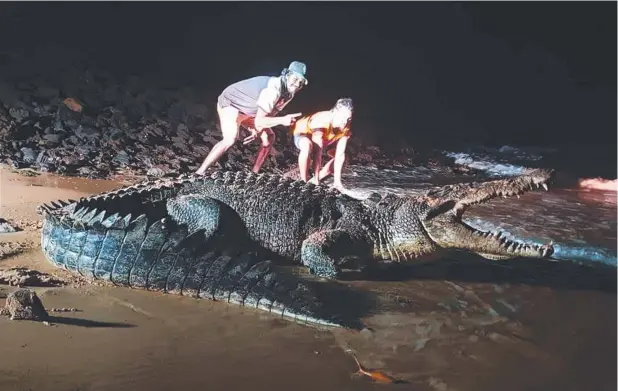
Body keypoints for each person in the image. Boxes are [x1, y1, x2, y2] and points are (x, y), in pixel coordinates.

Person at [195, 61, 308, 175]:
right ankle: (200, 172)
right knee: (230, 138)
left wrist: (256, 128)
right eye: (295, 79)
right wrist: (282, 120)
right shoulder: (273, 89)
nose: (297, 84)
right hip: (232, 104)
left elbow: (269, 114)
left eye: (301, 82)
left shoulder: (289, 93)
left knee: (269, 137)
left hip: (249, 110)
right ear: (287, 75)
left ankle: (254, 174)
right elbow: (260, 121)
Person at [291, 98, 354, 192]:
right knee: (307, 146)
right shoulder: (322, 121)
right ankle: (303, 182)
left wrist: (338, 183)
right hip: (303, 133)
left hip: (327, 139)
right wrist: (317, 180)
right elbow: (317, 153)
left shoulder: (345, 125)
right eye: (343, 117)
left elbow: (340, 153)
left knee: (343, 157)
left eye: (348, 118)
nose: (345, 122)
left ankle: (320, 179)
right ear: (335, 112)